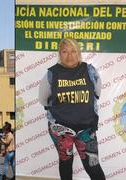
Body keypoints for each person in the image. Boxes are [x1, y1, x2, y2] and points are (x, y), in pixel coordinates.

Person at [38, 38, 106, 180]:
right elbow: (43, 100)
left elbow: (97, 93)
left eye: (73, 51)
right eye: (65, 51)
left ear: (79, 53)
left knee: (92, 165)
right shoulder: (51, 74)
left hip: (86, 129)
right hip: (60, 129)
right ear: (59, 54)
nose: (69, 55)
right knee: (66, 163)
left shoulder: (90, 71)